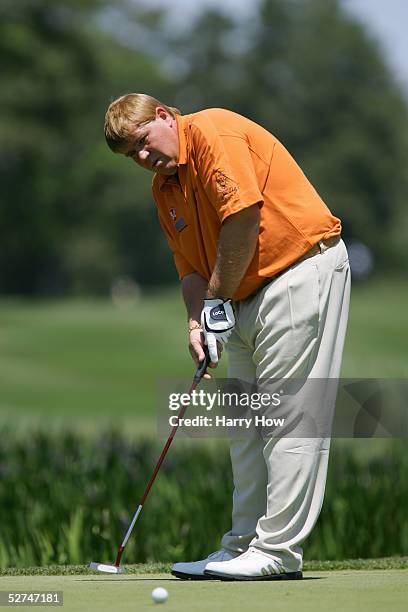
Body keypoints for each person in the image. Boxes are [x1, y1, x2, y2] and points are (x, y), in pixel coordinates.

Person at [104, 94, 351, 581]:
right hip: (239, 295)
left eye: (142, 143)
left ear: (163, 116)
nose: (142, 158)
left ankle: (278, 551)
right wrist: (198, 323)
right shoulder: (164, 190)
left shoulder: (213, 131)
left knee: (289, 416)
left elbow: (242, 218)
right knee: (244, 425)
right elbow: (190, 269)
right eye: (130, 155)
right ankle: (242, 546)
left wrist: (216, 303)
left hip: (299, 270)